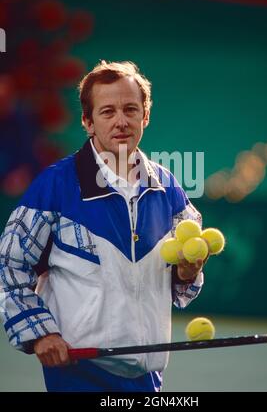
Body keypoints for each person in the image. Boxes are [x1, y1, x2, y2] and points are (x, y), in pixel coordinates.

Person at [0, 60, 207, 392]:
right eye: (108, 112)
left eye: (130, 109)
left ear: (145, 116)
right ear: (88, 122)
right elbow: (9, 264)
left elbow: (183, 285)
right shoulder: (55, 184)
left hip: (147, 373)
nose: (121, 121)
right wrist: (41, 333)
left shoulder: (169, 188)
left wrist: (186, 272)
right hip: (78, 372)